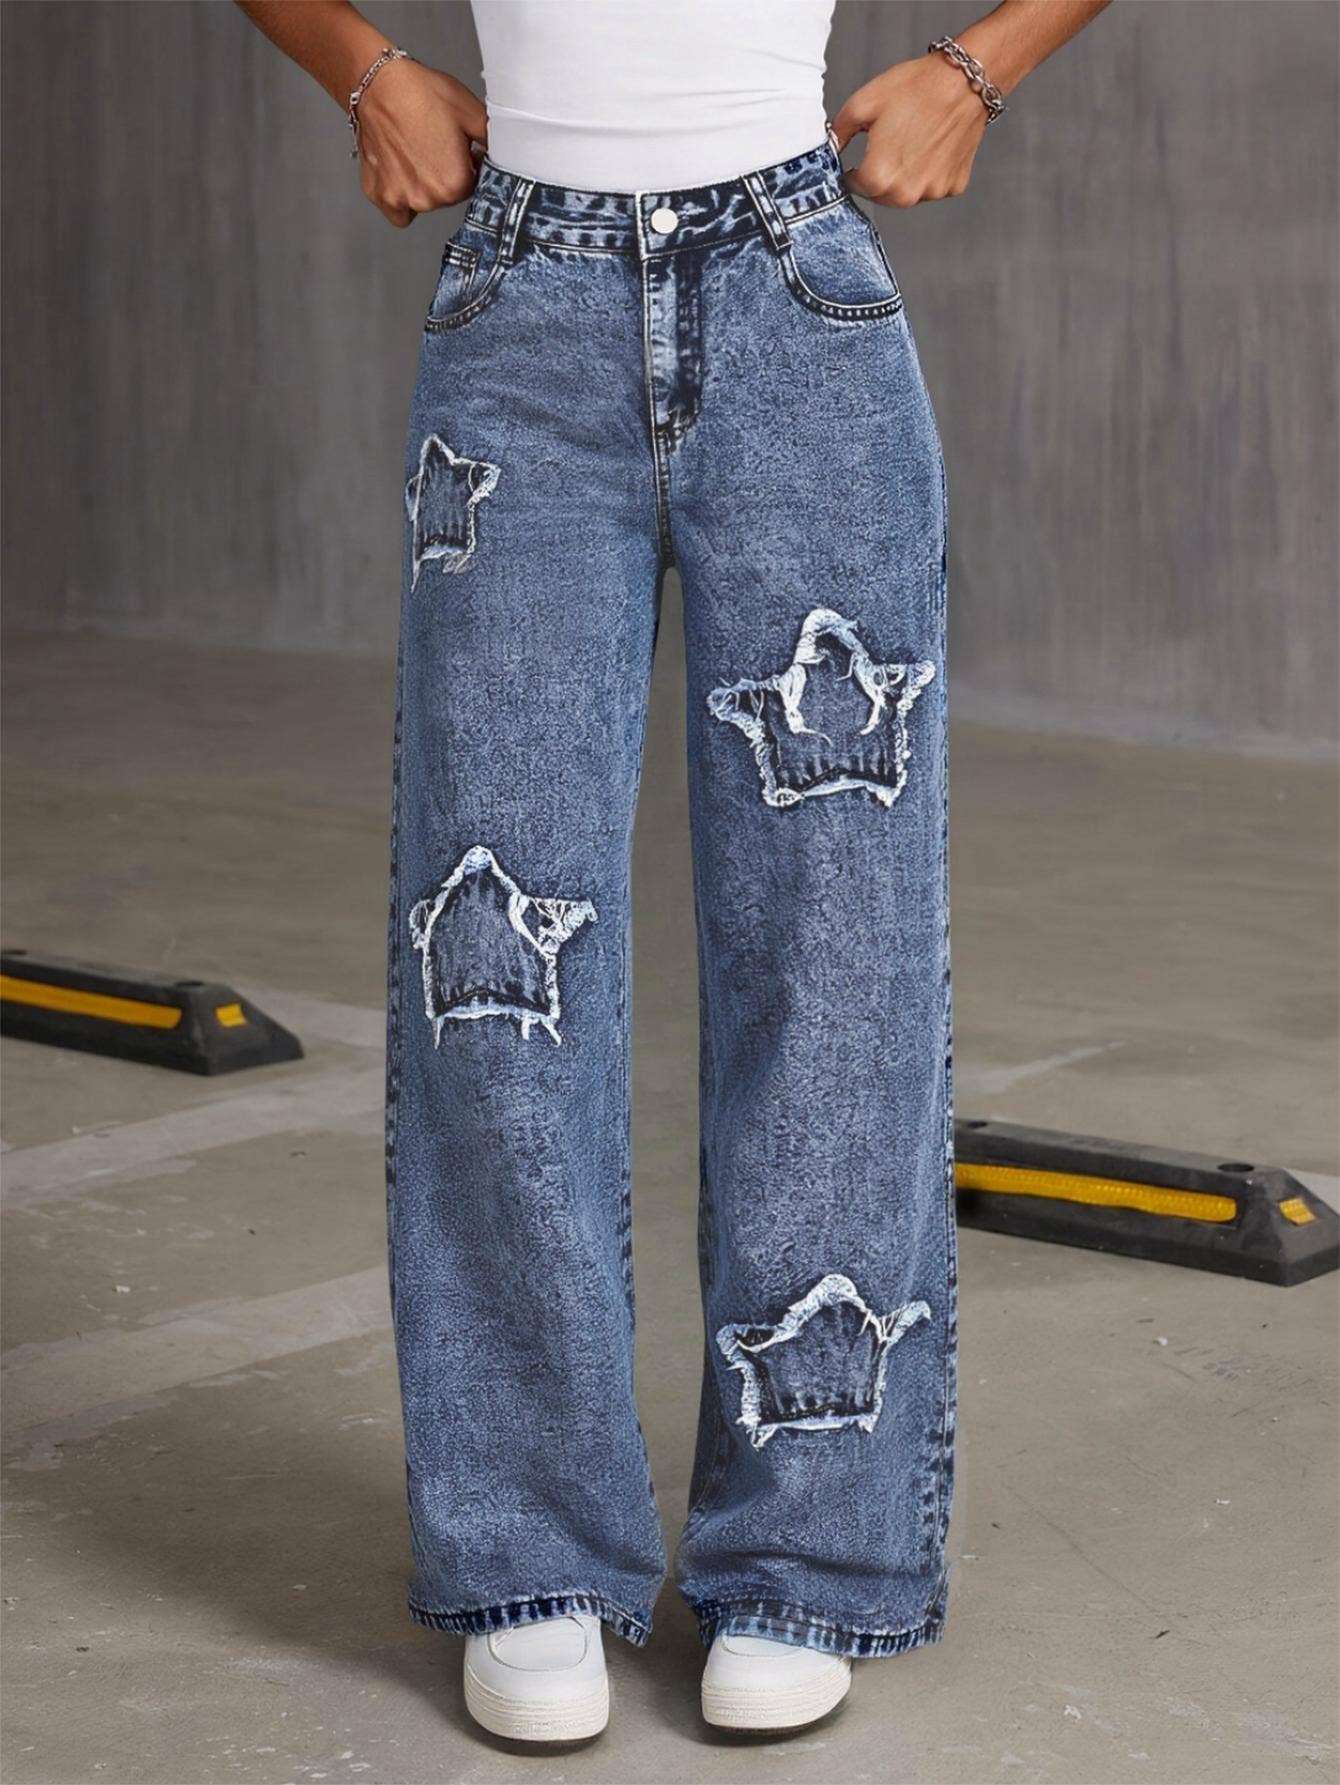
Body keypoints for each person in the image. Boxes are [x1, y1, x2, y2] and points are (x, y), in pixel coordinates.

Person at [237, 0, 1110, 1744]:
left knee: (836, 952)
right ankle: (530, 1553)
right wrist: (362, 67)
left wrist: (982, 68)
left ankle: (804, 1555)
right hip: (522, 312)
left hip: (797, 298)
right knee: (490, 955)